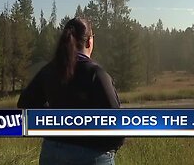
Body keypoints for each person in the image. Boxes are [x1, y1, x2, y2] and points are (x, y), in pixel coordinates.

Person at [18, 17, 124, 165]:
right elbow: (118, 123)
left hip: (52, 151)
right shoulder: (96, 74)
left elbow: (25, 102)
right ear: (89, 41)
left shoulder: (49, 70)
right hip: (90, 153)